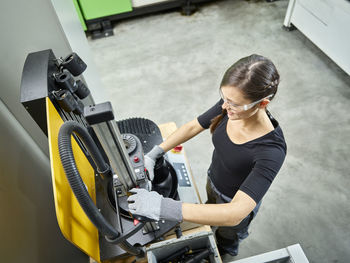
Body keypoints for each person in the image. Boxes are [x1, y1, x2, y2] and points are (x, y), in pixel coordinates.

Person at [127, 54, 287, 256]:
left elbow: (234, 214)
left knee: (227, 237)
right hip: (213, 181)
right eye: (224, 97)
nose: (225, 106)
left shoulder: (271, 151)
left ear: (262, 103)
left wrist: (163, 207)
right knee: (209, 212)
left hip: (233, 202)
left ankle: (226, 250)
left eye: (234, 103)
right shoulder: (231, 105)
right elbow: (195, 125)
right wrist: (156, 152)